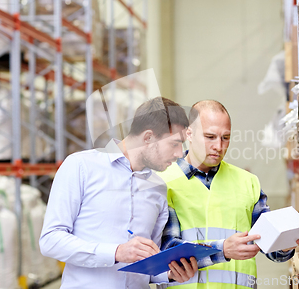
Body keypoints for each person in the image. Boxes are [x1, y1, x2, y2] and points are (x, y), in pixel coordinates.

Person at [40, 97, 198, 289]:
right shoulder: (80, 167)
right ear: (148, 137)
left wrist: (170, 274)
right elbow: (50, 240)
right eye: (175, 144)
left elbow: (146, 265)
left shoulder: (157, 188)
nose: (180, 154)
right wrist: (116, 252)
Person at [158, 100, 299, 288]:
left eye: (226, 137)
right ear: (189, 133)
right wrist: (223, 250)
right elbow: (167, 250)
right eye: (210, 137)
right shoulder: (163, 183)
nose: (219, 146)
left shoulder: (248, 182)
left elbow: (269, 247)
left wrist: (284, 243)